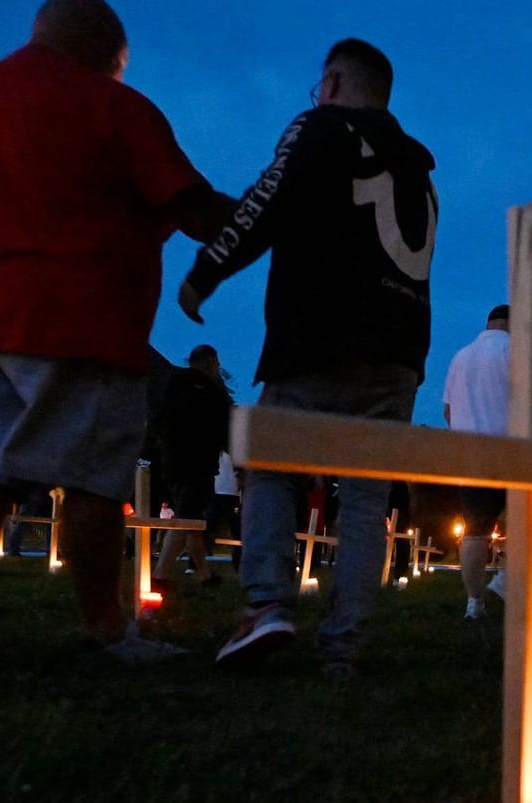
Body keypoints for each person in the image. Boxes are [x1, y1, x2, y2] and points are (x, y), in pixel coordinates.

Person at [0, 0, 233, 671]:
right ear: (110, 50)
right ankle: (105, 630)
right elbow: (195, 209)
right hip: (81, 320)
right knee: (92, 482)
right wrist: (272, 221)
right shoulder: (115, 107)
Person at [181, 38, 438, 673]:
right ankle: (343, 648)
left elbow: (269, 200)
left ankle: (266, 604)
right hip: (400, 353)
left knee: (269, 463)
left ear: (330, 82)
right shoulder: (420, 171)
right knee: (365, 502)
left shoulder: (322, 127)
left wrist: (207, 269)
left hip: (320, 337)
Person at [441, 304, 510, 618]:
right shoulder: (516, 353)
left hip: (470, 456)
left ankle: (474, 602)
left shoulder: (461, 357)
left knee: (476, 530)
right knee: (528, 520)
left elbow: (447, 411)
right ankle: (507, 581)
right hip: (511, 452)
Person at [152, 344, 232, 593]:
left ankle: (204, 574)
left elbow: (158, 422)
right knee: (188, 519)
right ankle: (159, 576)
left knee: (193, 521)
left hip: (172, 463)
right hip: (198, 465)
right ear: (210, 363)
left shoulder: (172, 388)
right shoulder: (210, 394)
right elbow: (223, 431)